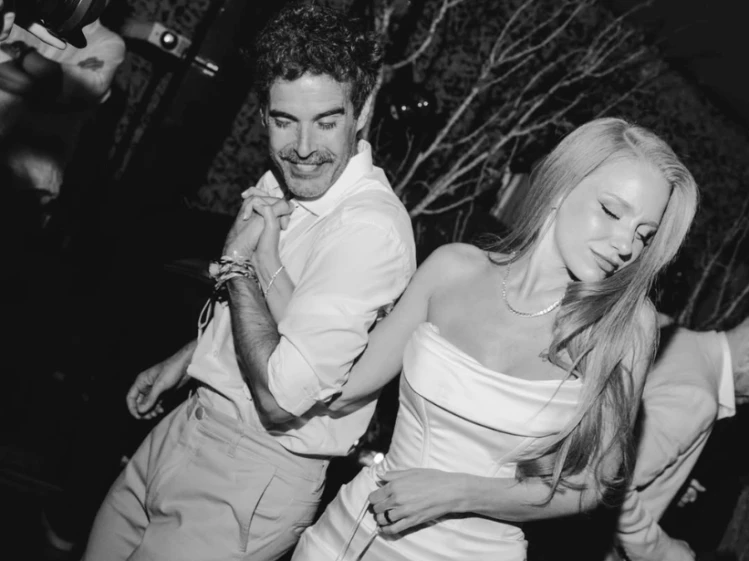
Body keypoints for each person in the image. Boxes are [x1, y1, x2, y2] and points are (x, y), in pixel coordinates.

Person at [82, 4, 416, 561]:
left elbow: (282, 399)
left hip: (254, 470)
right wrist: (190, 358)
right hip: (188, 425)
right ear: (262, 113)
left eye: (326, 121)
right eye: (284, 120)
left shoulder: (368, 232)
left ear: (362, 111)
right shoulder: (288, 179)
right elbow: (276, 317)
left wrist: (237, 265)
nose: (303, 146)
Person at [291, 117, 699, 561]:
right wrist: (259, 272)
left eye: (644, 235)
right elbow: (340, 389)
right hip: (347, 536)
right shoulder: (452, 269)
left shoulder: (623, 327)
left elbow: (592, 486)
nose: (625, 245)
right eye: (612, 211)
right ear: (562, 186)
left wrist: (457, 493)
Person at [609, 316, 749, 561]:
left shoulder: (673, 334)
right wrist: (660, 550)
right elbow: (612, 483)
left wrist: (674, 483)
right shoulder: (695, 396)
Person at [0, 0, 125, 203]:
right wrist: (43, 81)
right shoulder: (22, 11)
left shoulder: (108, 44)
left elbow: (77, 90)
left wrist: (20, 51)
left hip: (31, 179)